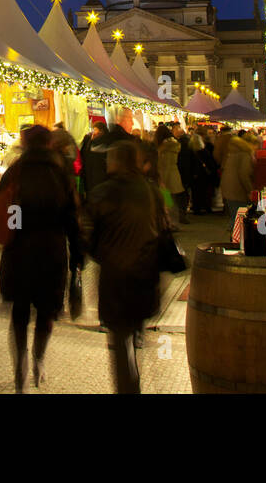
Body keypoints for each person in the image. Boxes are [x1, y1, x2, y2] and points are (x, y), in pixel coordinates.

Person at [0, 124, 82, 392]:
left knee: (19, 313)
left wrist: (18, 229)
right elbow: (71, 220)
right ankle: (38, 359)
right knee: (46, 312)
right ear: (49, 144)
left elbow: (5, 209)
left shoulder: (14, 172)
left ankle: (20, 363)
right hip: (51, 251)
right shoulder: (60, 174)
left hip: (19, 251)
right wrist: (77, 256)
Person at [82, 140, 162, 394]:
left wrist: (100, 254)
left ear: (117, 162)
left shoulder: (103, 192)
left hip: (116, 278)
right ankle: (133, 375)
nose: (106, 163)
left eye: (110, 159)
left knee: (119, 340)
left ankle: (129, 387)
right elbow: (164, 228)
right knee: (133, 331)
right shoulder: (152, 191)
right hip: (145, 275)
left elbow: (88, 237)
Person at [221, 129, 256, 232]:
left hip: (229, 188)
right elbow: (244, 174)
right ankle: (235, 242)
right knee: (238, 218)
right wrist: (250, 191)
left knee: (234, 217)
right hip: (237, 190)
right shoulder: (245, 154)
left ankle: (233, 239)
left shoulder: (234, 151)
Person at [155, 124, 187, 224]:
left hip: (164, 175)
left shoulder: (161, 148)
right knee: (172, 200)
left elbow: (160, 163)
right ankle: (173, 221)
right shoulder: (175, 145)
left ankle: (169, 222)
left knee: (167, 200)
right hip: (173, 174)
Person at [79, 122, 110, 203]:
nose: (94, 132)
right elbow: (85, 154)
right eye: (94, 130)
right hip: (90, 174)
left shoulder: (105, 142)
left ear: (102, 131)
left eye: (96, 130)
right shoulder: (89, 140)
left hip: (98, 175)